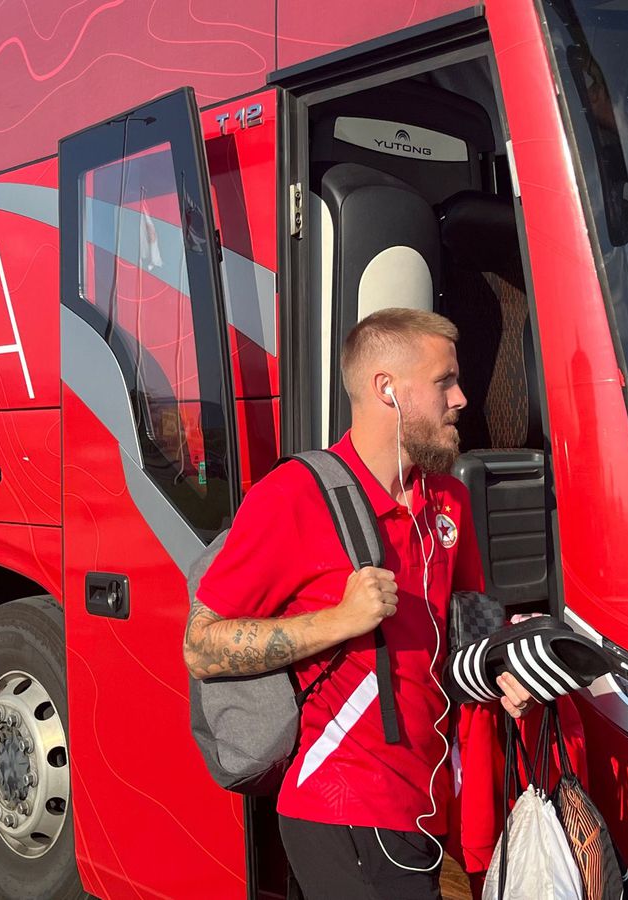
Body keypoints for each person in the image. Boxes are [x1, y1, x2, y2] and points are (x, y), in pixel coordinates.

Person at [183, 308, 534, 900]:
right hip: (340, 802)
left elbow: (469, 619)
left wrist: (505, 671)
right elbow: (201, 646)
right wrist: (337, 621)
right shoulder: (293, 496)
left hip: (429, 800)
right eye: (445, 381)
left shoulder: (446, 498)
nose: (463, 398)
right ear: (387, 390)